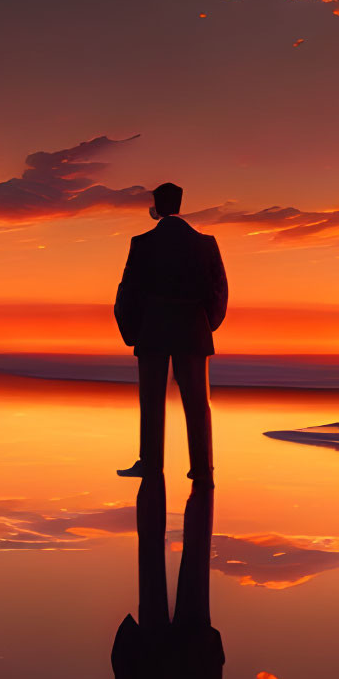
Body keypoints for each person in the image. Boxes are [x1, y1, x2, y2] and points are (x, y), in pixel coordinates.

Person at [110, 474, 222, 679]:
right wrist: (129, 635)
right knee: (150, 552)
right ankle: (152, 477)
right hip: (153, 639)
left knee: (195, 557)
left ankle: (203, 483)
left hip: (191, 635)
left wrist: (211, 640)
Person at [112, 182, 227, 482]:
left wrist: (131, 331)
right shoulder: (205, 243)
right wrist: (208, 323)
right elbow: (219, 289)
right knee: (198, 403)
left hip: (154, 328)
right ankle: (203, 468)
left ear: (158, 206)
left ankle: (150, 464)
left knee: (151, 401)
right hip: (193, 329)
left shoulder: (142, 243)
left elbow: (128, 290)